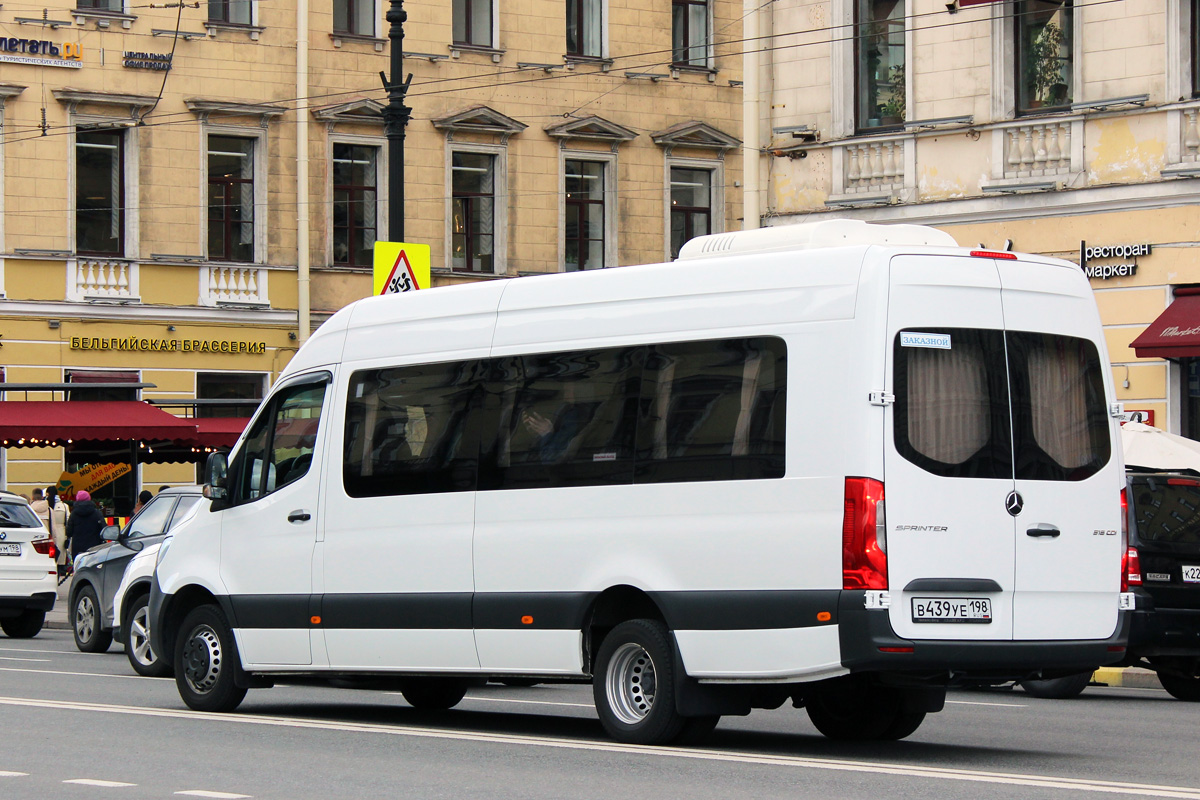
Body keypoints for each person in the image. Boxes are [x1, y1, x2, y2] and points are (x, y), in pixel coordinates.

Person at [64, 490, 106, 564]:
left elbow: (69, 532)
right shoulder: (97, 513)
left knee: (79, 566)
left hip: (78, 548)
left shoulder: (74, 514)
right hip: (94, 547)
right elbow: (104, 529)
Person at [45, 487, 68, 578]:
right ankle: (57, 579)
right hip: (61, 533)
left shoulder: (45, 505)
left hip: (48, 532)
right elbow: (68, 521)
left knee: (49, 560)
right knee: (59, 562)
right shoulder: (64, 506)